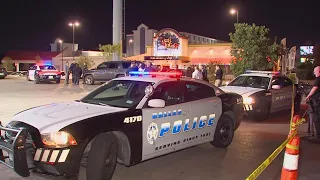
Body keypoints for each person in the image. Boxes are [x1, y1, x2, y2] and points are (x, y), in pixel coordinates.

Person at [306, 66, 320, 139]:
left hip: (317, 102)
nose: (314, 73)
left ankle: (318, 136)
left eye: (315, 71)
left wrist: (308, 96)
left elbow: (314, 88)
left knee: (317, 119)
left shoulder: (318, 79)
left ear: (318, 71)